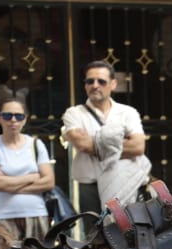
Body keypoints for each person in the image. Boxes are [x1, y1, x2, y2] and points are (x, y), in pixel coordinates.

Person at [60, 60, 151, 211]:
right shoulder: (74, 113)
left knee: (129, 231)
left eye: (101, 81)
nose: (95, 85)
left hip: (125, 182)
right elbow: (83, 145)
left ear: (113, 84)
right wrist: (121, 142)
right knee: (95, 233)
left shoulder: (127, 112)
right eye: (90, 81)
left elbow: (138, 147)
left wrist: (96, 142)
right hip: (91, 187)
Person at [0, 98, 55, 239]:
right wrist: (31, 177)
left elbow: (49, 182)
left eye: (18, 116)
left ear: (25, 119)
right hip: (2, 217)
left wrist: (8, 184)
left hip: (36, 214)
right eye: (7, 116)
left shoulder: (36, 144)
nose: (13, 120)